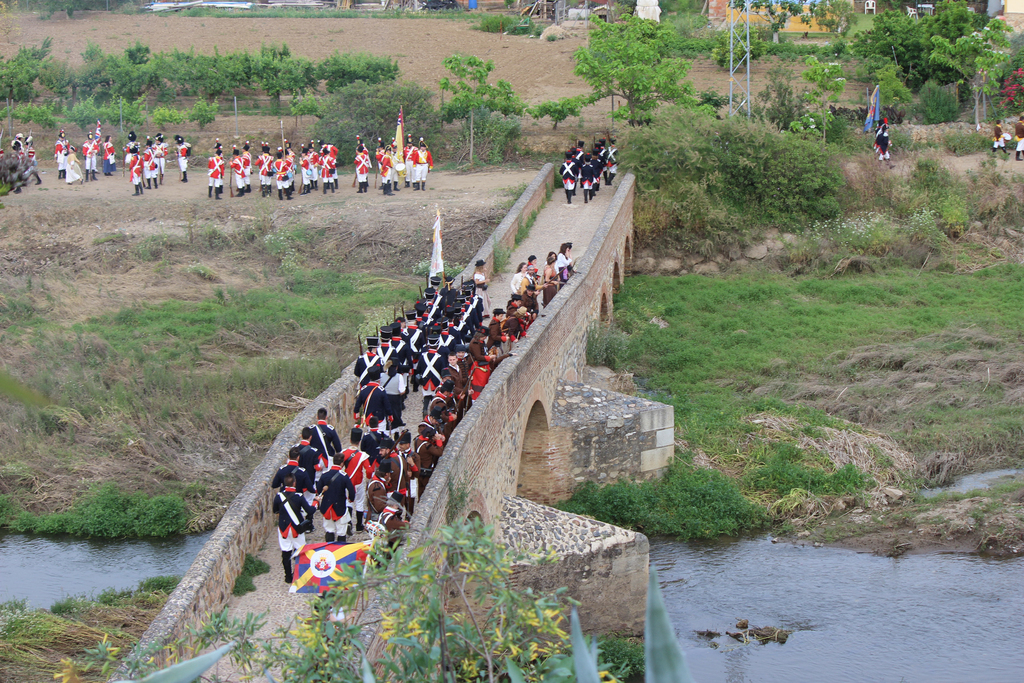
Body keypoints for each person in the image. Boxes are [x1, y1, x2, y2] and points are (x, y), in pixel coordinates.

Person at [273, 472, 316, 584]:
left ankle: (288, 577)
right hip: (297, 528)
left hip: (284, 528)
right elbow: (310, 511)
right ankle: (301, 574)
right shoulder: (299, 497)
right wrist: (316, 502)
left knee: (286, 552)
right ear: (294, 483)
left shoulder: (278, 497)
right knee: (301, 550)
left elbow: (275, 510)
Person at [316, 453, 356, 543]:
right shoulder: (343, 476)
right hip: (340, 506)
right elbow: (351, 490)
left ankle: (329, 549)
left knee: (329, 529)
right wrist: (351, 499)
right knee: (341, 531)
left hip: (327, 506)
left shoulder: (325, 474)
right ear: (342, 463)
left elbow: (319, 489)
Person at [341, 428, 373, 532]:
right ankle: (359, 525)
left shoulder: (343, 453)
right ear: (359, 442)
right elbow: (369, 470)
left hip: (347, 482)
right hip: (359, 482)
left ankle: (348, 523)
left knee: (348, 502)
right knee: (359, 503)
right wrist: (368, 479)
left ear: (350, 440)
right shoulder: (363, 456)